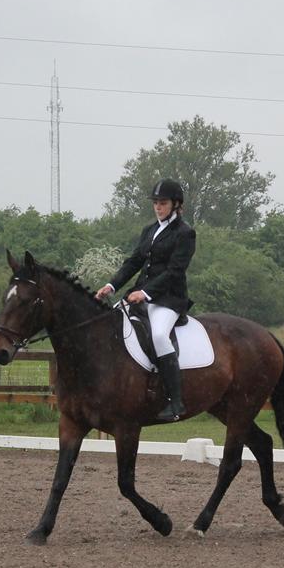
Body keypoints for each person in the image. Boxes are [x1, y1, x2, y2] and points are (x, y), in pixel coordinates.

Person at [96, 179, 196, 421]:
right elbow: (134, 262)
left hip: (168, 299)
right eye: (156, 203)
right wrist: (111, 285)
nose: (158, 207)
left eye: (163, 203)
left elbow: (175, 271)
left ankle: (175, 402)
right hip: (139, 295)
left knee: (160, 335)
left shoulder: (185, 233)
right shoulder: (149, 230)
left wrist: (146, 292)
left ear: (175, 205)